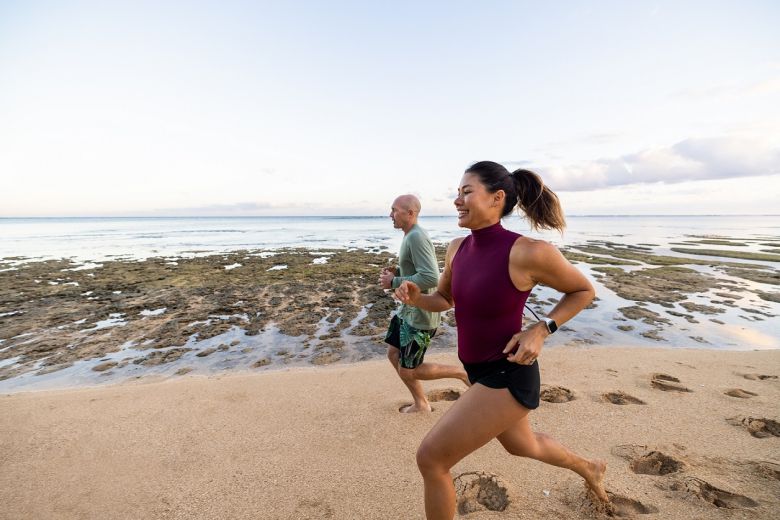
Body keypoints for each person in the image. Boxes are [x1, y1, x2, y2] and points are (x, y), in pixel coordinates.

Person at [394, 162, 609, 518]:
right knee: (524, 445)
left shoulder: (528, 252)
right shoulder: (457, 248)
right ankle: (590, 467)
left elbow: (583, 290)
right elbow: (445, 299)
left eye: (467, 192)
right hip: (476, 370)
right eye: (457, 193)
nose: (457, 200)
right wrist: (417, 298)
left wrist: (541, 329)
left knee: (431, 459)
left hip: (509, 372)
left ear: (497, 198)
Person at [379, 194, 470, 413]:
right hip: (406, 310)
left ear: (410, 213)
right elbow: (416, 271)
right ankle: (421, 403)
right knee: (393, 354)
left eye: (395, 210)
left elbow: (430, 277)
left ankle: (461, 373)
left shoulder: (416, 237)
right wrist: (398, 273)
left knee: (410, 369)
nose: (390, 214)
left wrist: (394, 282)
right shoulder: (410, 235)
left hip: (421, 314)